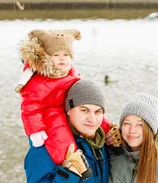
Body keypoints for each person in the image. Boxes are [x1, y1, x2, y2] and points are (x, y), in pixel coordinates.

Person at [16, 29, 111, 165]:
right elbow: (30, 108)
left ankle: (110, 130)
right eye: (56, 55)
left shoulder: (72, 72)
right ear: (47, 57)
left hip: (72, 105)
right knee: (60, 136)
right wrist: (35, 130)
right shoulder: (36, 81)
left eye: (66, 54)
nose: (62, 58)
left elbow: (81, 94)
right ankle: (71, 163)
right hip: (52, 111)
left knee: (93, 113)